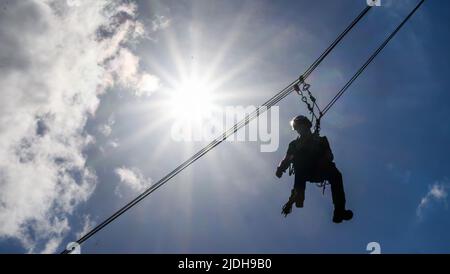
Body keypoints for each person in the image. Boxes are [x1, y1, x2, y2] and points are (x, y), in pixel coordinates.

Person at [275, 115, 353, 223]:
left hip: (319, 169)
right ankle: (298, 193)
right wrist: (281, 168)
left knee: (336, 175)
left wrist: (324, 158)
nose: (300, 130)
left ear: (307, 126)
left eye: (301, 126)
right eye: (297, 128)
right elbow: (288, 158)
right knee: (300, 161)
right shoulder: (294, 144)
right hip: (304, 172)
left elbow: (330, 156)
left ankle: (339, 210)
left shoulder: (321, 140)